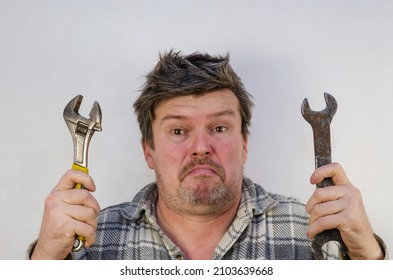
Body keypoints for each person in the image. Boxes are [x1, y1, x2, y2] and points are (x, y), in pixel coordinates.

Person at [28, 50, 387, 260]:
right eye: (179, 131)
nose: (201, 147)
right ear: (148, 151)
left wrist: (368, 257)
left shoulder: (315, 232)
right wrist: (45, 258)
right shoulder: (88, 242)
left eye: (218, 128)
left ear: (244, 144)